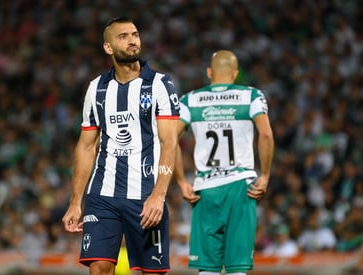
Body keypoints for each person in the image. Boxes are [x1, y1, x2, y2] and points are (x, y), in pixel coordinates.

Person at [62, 17, 180, 275]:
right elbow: (86, 147)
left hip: (146, 194)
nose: (132, 40)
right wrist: (75, 202)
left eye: (135, 34)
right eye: (123, 36)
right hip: (102, 196)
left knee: (153, 273)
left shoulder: (160, 83)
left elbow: (169, 142)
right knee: (100, 268)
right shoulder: (97, 88)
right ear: (108, 47)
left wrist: (159, 194)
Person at [175, 50, 274, 275]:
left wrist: (182, 181)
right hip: (240, 186)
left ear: (209, 72)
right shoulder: (251, 96)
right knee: (236, 268)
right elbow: (266, 135)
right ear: (235, 74)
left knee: (207, 268)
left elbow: (169, 141)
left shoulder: (190, 100)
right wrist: (265, 175)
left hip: (205, 189)